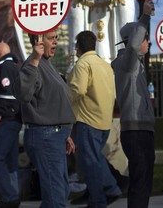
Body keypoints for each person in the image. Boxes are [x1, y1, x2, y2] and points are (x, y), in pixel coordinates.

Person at [20, 30, 76, 208]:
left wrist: (64, 131)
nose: (55, 42)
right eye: (51, 38)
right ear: (38, 41)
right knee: (55, 196)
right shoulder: (33, 64)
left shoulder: (47, 64)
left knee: (59, 192)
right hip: (45, 136)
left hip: (54, 135)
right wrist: (35, 59)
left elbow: (51, 101)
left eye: (56, 38)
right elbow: (22, 93)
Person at [68, 30, 123, 208]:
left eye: (76, 46)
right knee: (93, 159)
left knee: (90, 161)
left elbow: (78, 90)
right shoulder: (104, 64)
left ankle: (105, 194)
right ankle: (101, 196)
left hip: (87, 120)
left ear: (78, 47)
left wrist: (63, 100)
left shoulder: (83, 64)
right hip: (103, 121)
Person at [113, 0, 156, 208]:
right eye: (146, 38)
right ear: (136, 40)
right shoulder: (126, 63)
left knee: (145, 180)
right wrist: (145, 16)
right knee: (140, 181)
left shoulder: (132, 64)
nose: (148, 42)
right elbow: (132, 48)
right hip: (136, 132)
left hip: (142, 130)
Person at [0, 40, 22, 208]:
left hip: (7, 119)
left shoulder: (5, 67)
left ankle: (10, 197)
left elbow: (7, 94)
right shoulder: (11, 66)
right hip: (13, 119)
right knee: (10, 161)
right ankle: (12, 196)